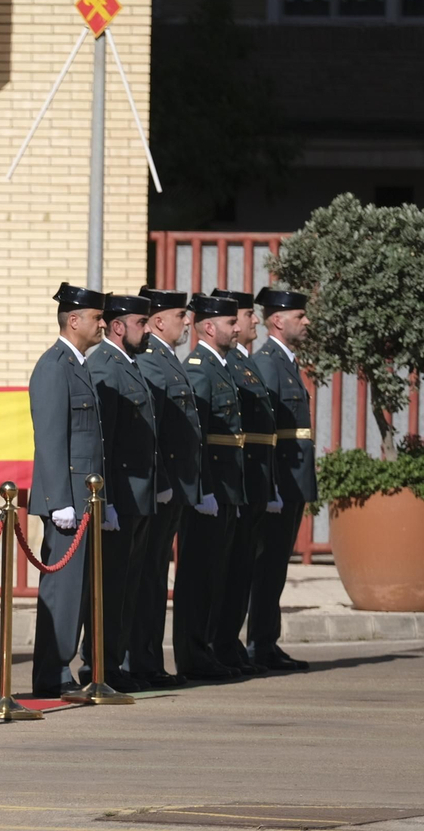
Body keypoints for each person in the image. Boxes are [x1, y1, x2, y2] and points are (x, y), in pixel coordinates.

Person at [28, 283, 107, 698]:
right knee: (63, 590)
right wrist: (59, 500)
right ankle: (52, 672)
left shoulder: (79, 365)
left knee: (82, 590)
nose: (103, 324)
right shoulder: (54, 366)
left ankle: (71, 668)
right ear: (73, 320)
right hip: (68, 502)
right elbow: (52, 439)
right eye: (96, 318)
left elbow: (91, 440)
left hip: (86, 500)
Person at [84, 294, 158, 693]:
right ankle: (99, 663)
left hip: (139, 493)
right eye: (141, 323)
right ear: (118, 327)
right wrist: (107, 500)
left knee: (128, 583)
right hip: (121, 494)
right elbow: (104, 443)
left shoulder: (126, 364)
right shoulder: (104, 367)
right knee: (111, 585)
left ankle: (116, 659)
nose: (147, 330)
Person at [174, 294, 245, 681]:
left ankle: (206, 650)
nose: (237, 329)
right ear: (209, 327)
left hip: (227, 484)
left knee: (216, 573)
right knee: (199, 576)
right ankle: (193, 654)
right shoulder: (200, 368)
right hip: (211, 487)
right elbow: (196, 437)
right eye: (230, 323)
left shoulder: (222, 367)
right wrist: (202, 488)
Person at [130, 287, 198, 689]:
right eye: (179, 315)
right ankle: (142, 661)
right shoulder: (152, 362)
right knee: (147, 580)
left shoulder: (169, 360)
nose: (186, 322)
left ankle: (149, 661)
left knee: (156, 577)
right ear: (157, 322)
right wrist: (165, 482)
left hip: (173, 488)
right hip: (160, 487)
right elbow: (155, 435)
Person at [247, 288, 315, 671]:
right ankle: (258, 644)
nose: (306, 322)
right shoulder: (268, 363)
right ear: (278, 320)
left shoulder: (285, 362)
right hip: (280, 480)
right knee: (268, 564)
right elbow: (266, 432)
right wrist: (270, 483)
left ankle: (266, 641)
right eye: (299, 316)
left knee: (277, 565)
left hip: (293, 480)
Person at [209, 288, 274, 677]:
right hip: (226, 482)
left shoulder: (242, 363)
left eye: (243, 317)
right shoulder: (220, 364)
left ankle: (228, 645)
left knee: (238, 570)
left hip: (245, 482)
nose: (247, 324)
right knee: (221, 572)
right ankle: (219, 646)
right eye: (239, 318)